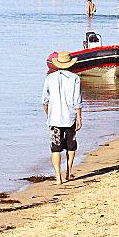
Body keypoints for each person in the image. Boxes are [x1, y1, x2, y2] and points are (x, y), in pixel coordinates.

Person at [42, 52, 83, 184]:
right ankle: (69, 172)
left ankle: (58, 176)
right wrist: (79, 118)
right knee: (71, 146)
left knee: (55, 148)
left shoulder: (50, 78)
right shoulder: (75, 78)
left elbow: (45, 101)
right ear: (70, 64)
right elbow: (77, 100)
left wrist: (48, 114)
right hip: (70, 117)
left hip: (54, 118)